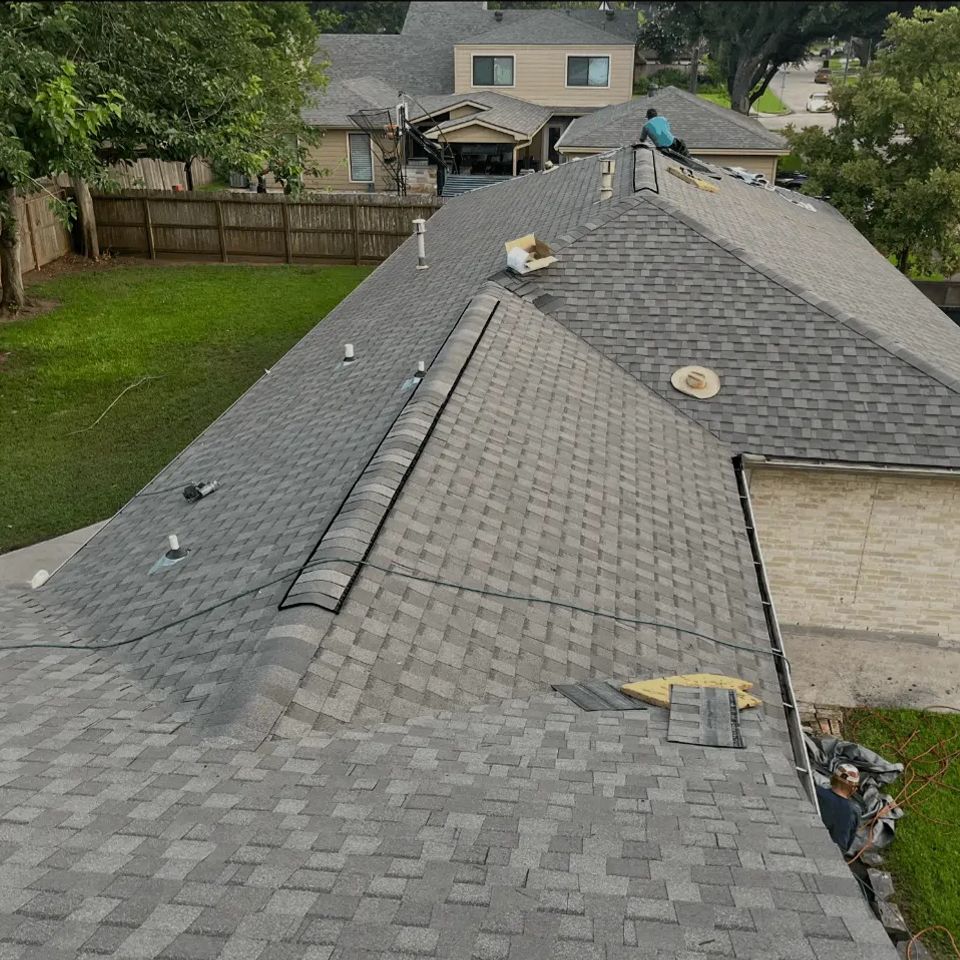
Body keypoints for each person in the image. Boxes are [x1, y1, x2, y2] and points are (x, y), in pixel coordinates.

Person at [815, 763, 861, 852]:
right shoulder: (853, 811)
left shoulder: (816, 791)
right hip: (831, 853)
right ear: (853, 789)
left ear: (832, 779)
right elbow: (848, 843)